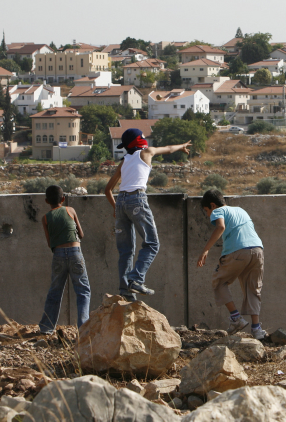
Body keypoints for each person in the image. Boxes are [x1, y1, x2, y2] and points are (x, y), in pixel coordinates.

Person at [105, 128, 191, 301]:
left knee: (125, 251)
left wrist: (116, 208)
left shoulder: (125, 161)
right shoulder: (147, 152)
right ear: (141, 141)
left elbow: (107, 190)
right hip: (136, 198)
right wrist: (182, 146)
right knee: (152, 244)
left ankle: (125, 292)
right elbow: (167, 148)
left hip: (121, 201)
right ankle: (136, 279)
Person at [197, 189, 267, 339]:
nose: (208, 215)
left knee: (219, 281)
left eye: (206, 211)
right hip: (257, 250)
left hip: (237, 252)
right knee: (253, 288)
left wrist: (205, 250)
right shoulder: (240, 210)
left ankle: (236, 318)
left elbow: (220, 227)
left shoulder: (218, 211)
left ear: (212, 205)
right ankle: (257, 329)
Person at [39, 185, 90, 334]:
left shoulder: (45, 218)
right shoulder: (70, 210)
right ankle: (83, 329)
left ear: (46, 201)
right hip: (75, 253)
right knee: (83, 291)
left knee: (55, 292)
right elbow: (81, 234)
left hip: (58, 255)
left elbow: (50, 243)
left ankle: (46, 328)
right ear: (63, 199)